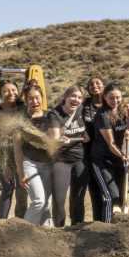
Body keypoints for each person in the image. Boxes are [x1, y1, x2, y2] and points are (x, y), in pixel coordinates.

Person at [47, 86, 88, 227]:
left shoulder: (82, 110)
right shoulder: (55, 114)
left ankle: (77, 228)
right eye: (73, 96)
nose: (76, 100)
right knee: (59, 200)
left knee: (78, 199)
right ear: (65, 96)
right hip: (61, 160)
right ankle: (59, 230)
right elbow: (54, 139)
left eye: (79, 97)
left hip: (80, 159)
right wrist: (59, 140)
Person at [14, 83, 54, 226]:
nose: (35, 101)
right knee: (39, 201)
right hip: (30, 164)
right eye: (30, 99)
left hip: (48, 164)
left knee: (47, 203)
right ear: (26, 100)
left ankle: (45, 235)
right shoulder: (21, 120)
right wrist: (20, 173)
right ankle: (24, 232)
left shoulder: (50, 116)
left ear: (42, 98)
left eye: (37, 98)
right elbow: (17, 149)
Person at [0, 79, 27, 219]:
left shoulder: (23, 108)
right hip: (3, 154)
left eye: (14, 90)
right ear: (0, 94)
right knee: (8, 188)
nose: (11, 93)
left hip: (21, 155)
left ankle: (19, 222)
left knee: (22, 190)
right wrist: (4, 165)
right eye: (6, 91)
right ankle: (2, 223)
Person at [89, 83, 129, 223]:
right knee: (109, 196)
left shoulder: (124, 112)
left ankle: (117, 226)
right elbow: (111, 143)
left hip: (118, 160)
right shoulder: (102, 115)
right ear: (105, 98)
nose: (115, 101)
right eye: (111, 98)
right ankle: (106, 229)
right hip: (102, 161)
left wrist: (126, 154)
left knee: (120, 198)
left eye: (118, 97)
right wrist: (124, 156)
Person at [82, 77, 105, 221]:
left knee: (108, 190)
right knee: (94, 189)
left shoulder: (110, 102)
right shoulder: (84, 105)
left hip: (108, 153)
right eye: (91, 84)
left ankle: (109, 220)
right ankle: (97, 221)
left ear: (104, 86)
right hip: (88, 153)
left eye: (97, 83)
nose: (94, 86)